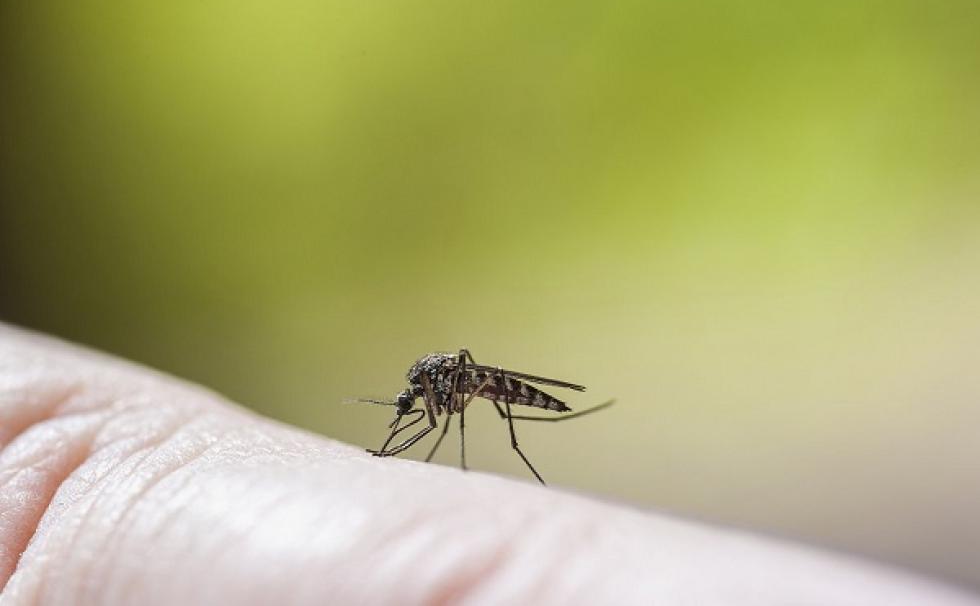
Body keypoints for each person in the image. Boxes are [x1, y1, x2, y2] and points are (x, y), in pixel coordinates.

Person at [0, 323, 976, 605]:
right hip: (466, 382)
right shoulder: (425, 391)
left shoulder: (455, 390)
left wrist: (479, 402)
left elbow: (457, 388)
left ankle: (490, 452)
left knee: (475, 429)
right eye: (422, 402)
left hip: (499, 386)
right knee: (443, 427)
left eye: (419, 403)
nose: (422, 407)